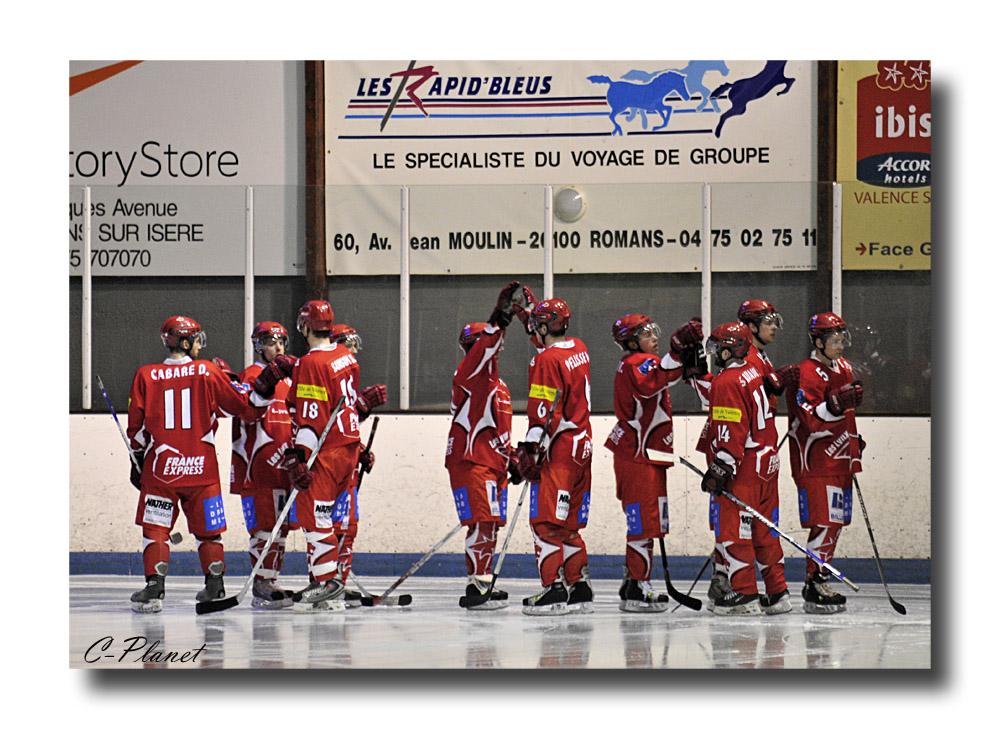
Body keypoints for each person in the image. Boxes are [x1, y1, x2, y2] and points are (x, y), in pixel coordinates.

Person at [127, 315, 292, 612]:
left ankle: (154, 590)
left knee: (156, 528)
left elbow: (137, 430)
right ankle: (215, 586)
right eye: (196, 339)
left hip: (161, 470)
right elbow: (242, 407)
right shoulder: (206, 370)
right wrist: (263, 388)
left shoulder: (146, 375)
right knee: (208, 531)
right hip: (202, 470)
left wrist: (136, 457)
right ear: (186, 341)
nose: (200, 345)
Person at [283, 300, 387, 611]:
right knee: (334, 518)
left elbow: (312, 418)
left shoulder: (310, 363)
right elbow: (346, 408)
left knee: (316, 518)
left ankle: (327, 583)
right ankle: (331, 580)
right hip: (348, 447)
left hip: (325, 451)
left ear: (304, 327)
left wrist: (298, 455)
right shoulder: (346, 357)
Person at [703, 300, 799, 610]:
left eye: (717, 347)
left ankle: (743, 592)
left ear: (729, 350)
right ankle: (777, 592)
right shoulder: (752, 371)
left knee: (735, 530)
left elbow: (732, 429)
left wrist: (721, 467)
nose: (714, 352)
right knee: (764, 530)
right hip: (767, 462)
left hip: (744, 466)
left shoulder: (727, 381)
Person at [605, 313, 705, 612]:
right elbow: (654, 382)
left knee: (647, 522)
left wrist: (685, 358)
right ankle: (638, 584)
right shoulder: (636, 363)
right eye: (647, 334)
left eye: (654, 331)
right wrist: (676, 353)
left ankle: (635, 580)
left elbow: (665, 375)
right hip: (639, 456)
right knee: (644, 524)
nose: (654, 337)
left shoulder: (642, 363)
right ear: (632, 341)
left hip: (644, 454)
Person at [446, 281, 531, 609]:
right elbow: (485, 350)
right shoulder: (469, 374)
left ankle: (481, 580)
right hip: (471, 461)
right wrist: (501, 320)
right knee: (481, 522)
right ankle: (477, 586)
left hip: (492, 463)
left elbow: (499, 429)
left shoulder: (499, 385)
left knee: (492, 523)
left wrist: (512, 458)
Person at [514, 297, 595, 615]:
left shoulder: (545, 361)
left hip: (558, 450)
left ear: (546, 326)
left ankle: (553, 589)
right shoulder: (578, 347)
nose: (533, 329)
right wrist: (537, 323)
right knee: (568, 526)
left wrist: (531, 451)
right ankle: (579, 586)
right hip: (582, 447)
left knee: (545, 524)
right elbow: (553, 359)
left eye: (537, 325)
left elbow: (544, 413)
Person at [785, 312, 864, 613]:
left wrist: (854, 442)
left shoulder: (843, 367)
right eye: (834, 340)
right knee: (823, 523)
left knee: (836, 524)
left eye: (842, 339)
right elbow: (809, 419)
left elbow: (847, 413)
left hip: (841, 458)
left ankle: (822, 575)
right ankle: (813, 582)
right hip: (816, 461)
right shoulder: (808, 371)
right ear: (818, 342)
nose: (840, 345)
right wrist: (833, 404)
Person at [225, 321, 300, 610]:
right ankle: (260, 582)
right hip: (259, 466)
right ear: (259, 345)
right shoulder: (252, 376)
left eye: (281, 341)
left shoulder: (288, 381)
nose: (278, 347)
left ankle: (271, 577)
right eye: (271, 342)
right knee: (264, 527)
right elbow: (245, 411)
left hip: (285, 466)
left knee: (282, 529)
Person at [329, 323, 382, 607]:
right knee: (329, 527)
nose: (354, 351)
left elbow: (344, 425)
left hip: (345, 464)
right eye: (349, 344)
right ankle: (325, 582)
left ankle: (338, 581)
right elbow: (325, 424)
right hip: (328, 466)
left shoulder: (348, 378)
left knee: (348, 528)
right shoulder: (328, 373)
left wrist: (358, 450)